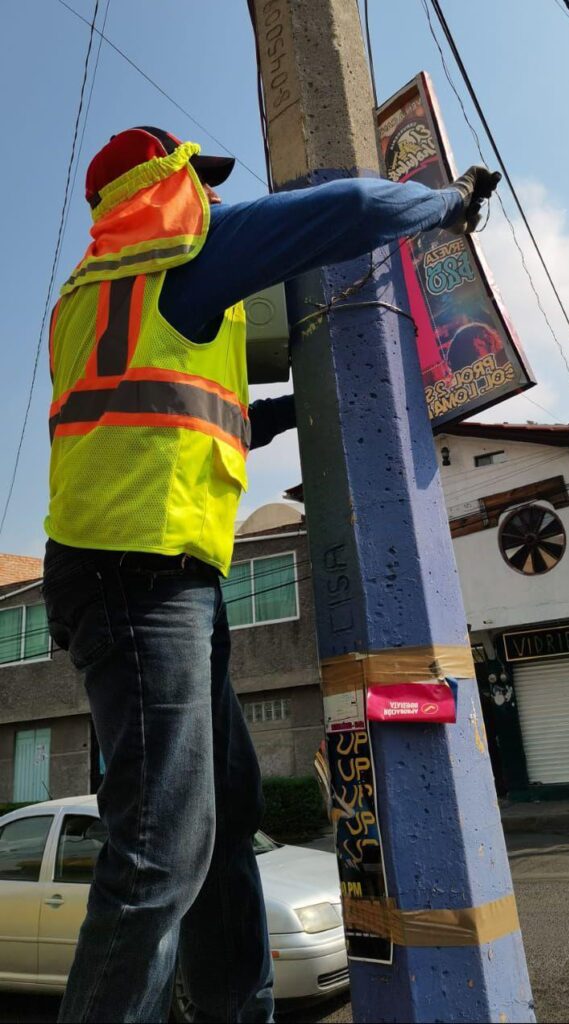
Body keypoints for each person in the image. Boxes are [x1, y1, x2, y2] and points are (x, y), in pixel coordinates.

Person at [42, 126, 499, 1024]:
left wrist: (294, 406)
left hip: (139, 574)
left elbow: (177, 416)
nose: (213, 199)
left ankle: (234, 1009)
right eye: (199, 182)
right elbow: (354, 206)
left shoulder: (98, 291)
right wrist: (449, 204)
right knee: (161, 844)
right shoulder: (181, 255)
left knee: (222, 808)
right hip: (139, 575)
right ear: (159, 188)